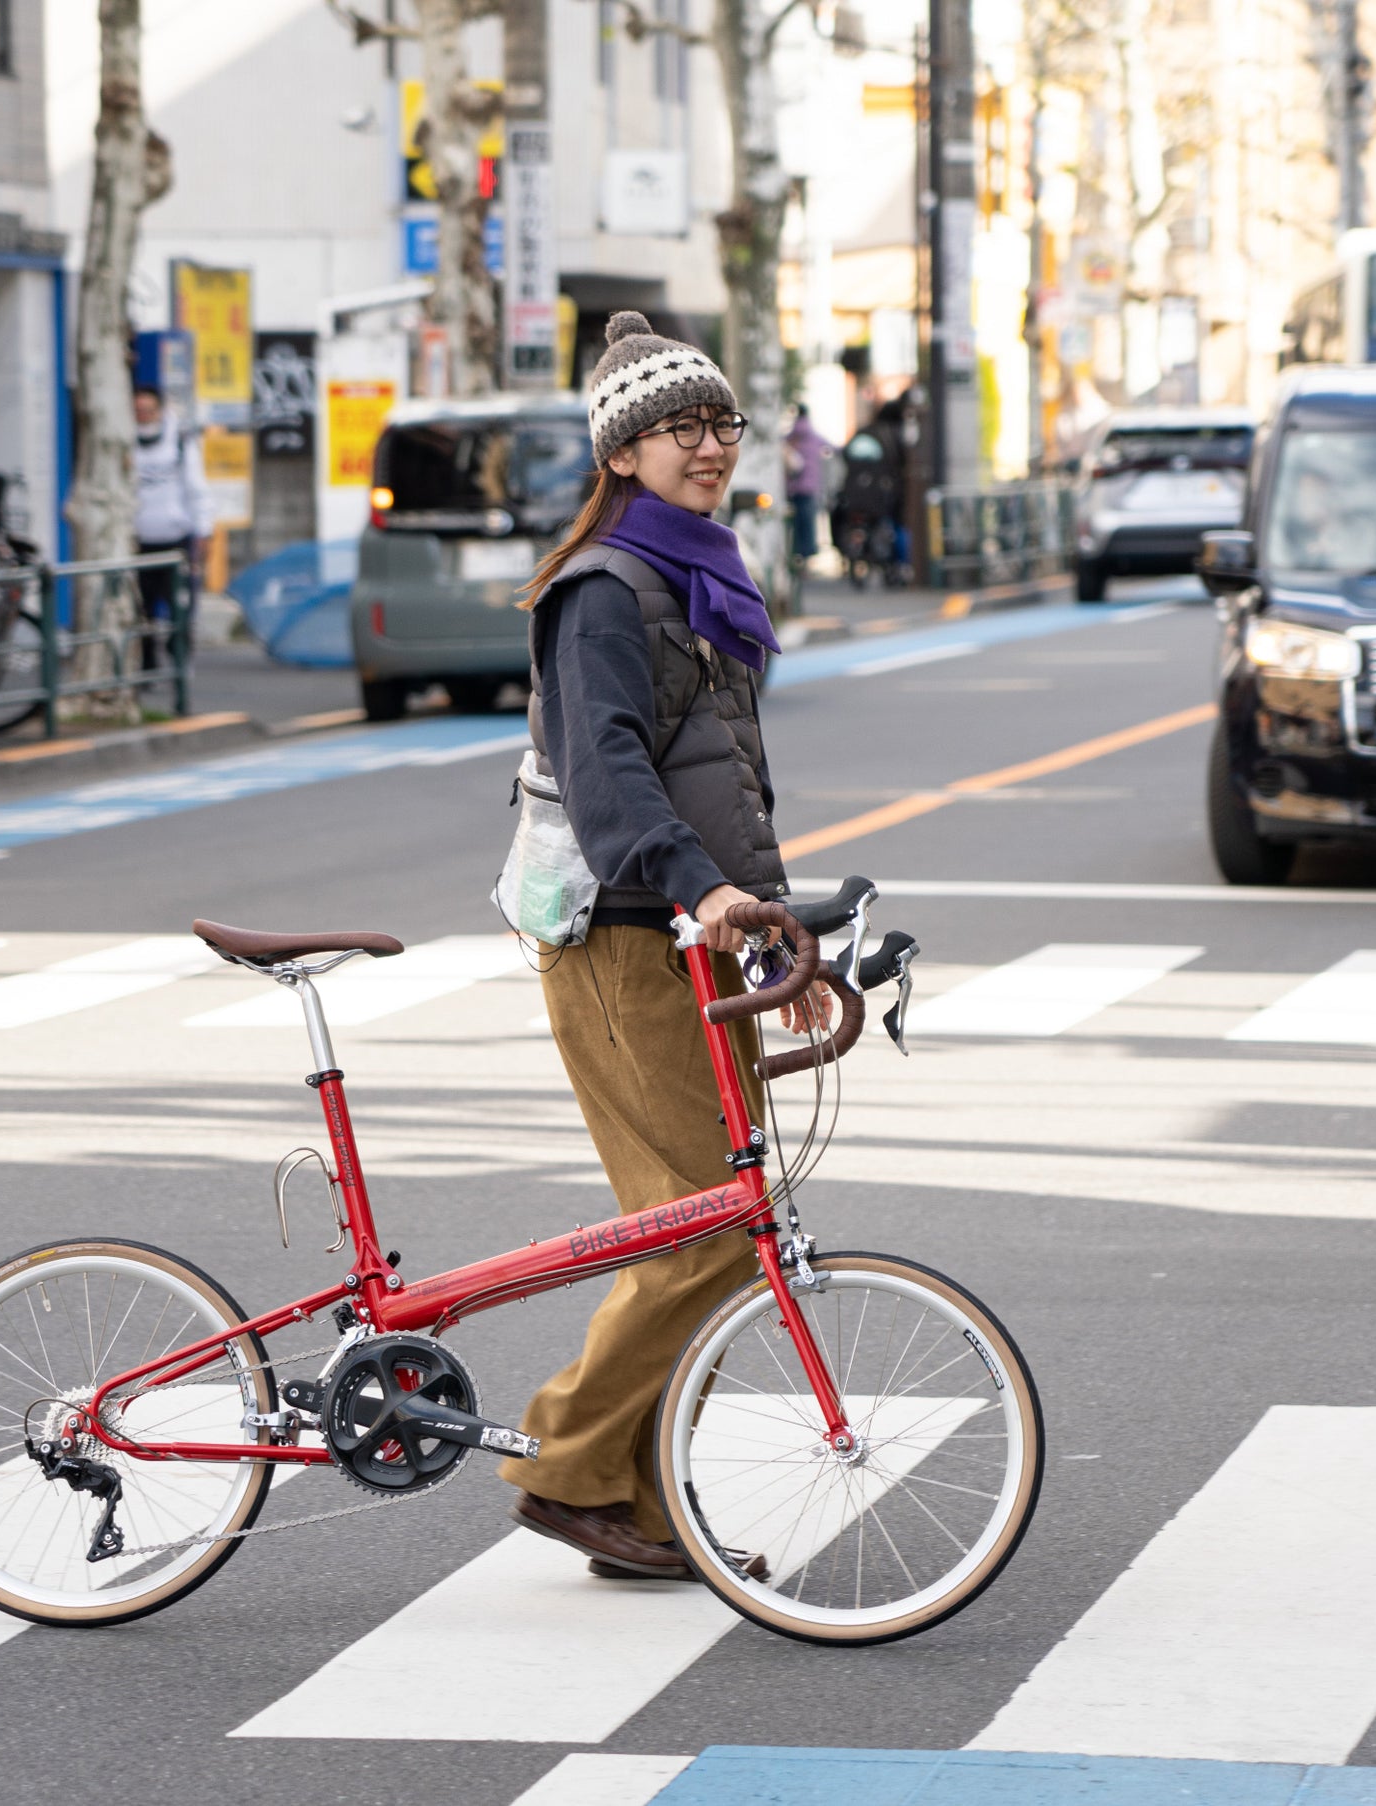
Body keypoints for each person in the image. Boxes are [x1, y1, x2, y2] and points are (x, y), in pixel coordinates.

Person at [497, 310, 829, 1581]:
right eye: (677, 428)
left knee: (701, 1227)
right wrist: (704, 897)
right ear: (621, 452)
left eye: (721, 422)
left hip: (686, 934)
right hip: (617, 936)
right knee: (699, 1228)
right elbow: (611, 781)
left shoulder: (701, 574)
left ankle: (628, 1495)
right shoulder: (603, 591)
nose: (708, 447)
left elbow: (723, 785)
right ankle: (567, 1462)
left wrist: (777, 934)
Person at [132, 386, 213, 669]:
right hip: (136, 540)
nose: (143, 416)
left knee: (180, 606)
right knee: (140, 609)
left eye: (148, 410)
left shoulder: (179, 441)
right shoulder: (121, 442)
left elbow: (196, 490)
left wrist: (203, 531)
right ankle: (147, 664)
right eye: (138, 411)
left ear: (160, 410)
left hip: (174, 539)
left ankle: (179, 662)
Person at [783, 402, 832, 561]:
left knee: (794, 524)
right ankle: (807, 555)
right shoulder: (814, 436)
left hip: (791, 487)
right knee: (809, 523)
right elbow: (834, 449)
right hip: (810, 487)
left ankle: (795, 556)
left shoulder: (790, 436)